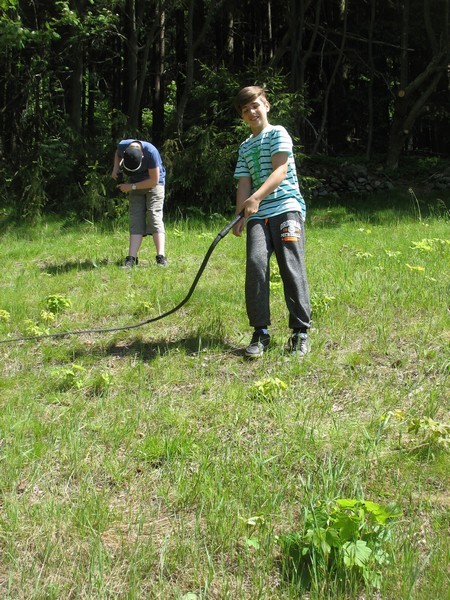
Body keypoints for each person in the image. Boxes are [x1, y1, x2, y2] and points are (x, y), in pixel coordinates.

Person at [232, 85, 311, 358]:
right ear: (242, 116)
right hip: (257, 215)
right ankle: (260, 332)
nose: (251, 112)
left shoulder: (278, 133)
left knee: (291, 266)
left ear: (266, 105)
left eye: (255, 105)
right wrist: (240, 215)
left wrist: (256, 198)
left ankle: (300, 332)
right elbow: (244, 182)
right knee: (256, 264)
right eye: (245, 109)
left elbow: (280, 170)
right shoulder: (245, 147)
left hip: (286, 208)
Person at [111, 139, 168, 268]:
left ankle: (161, 257)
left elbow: (154, 181)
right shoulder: (123, 146)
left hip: (154, 185)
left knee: (154, 216)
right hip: (134, 184)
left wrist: (131, 187)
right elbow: (118, 154)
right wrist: (115, 168)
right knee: (136, 219)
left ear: (142, 156)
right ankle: (131, 259)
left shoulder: (151, 152)